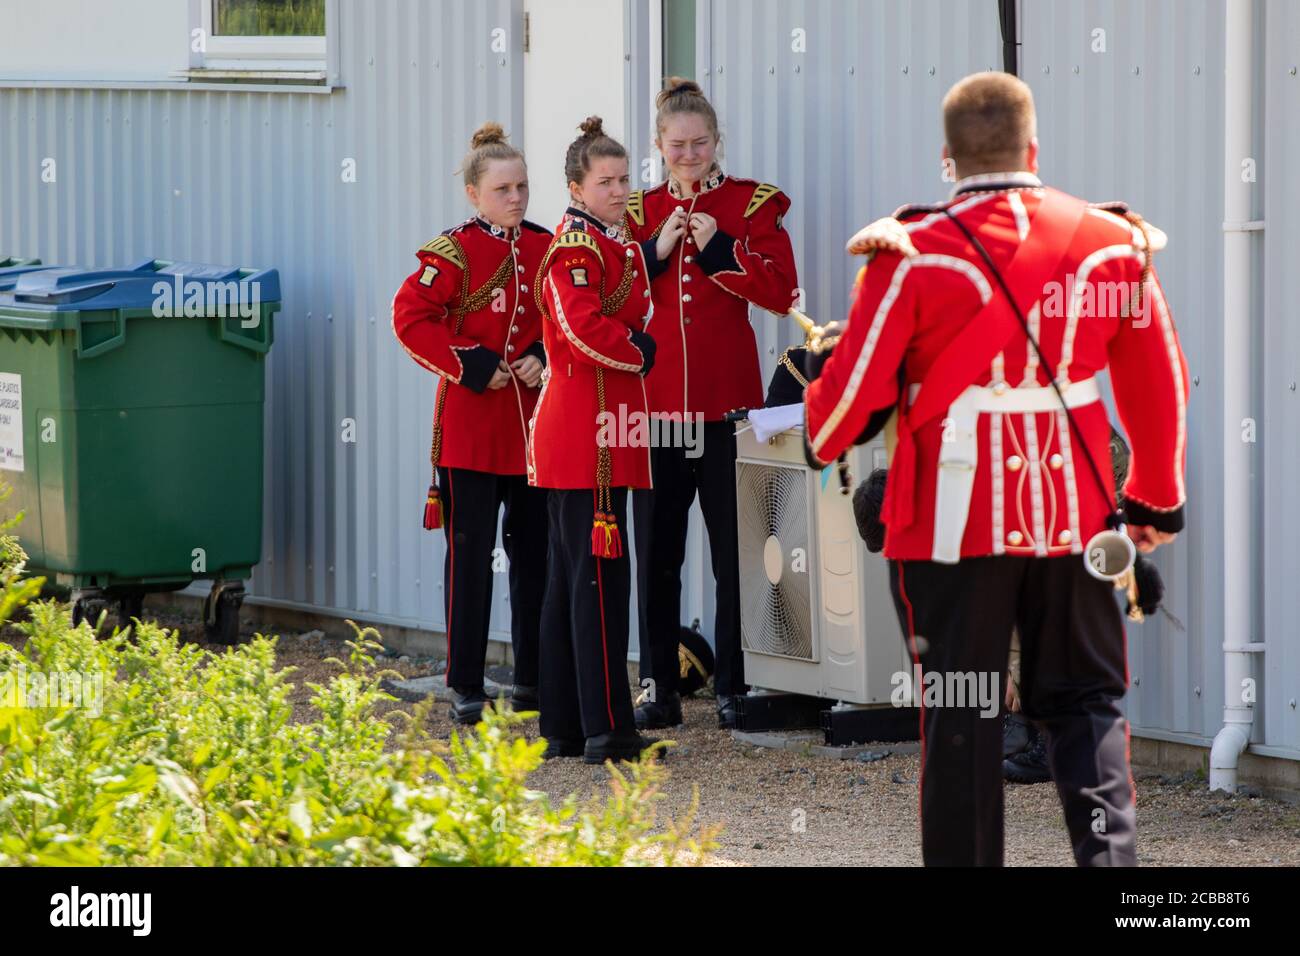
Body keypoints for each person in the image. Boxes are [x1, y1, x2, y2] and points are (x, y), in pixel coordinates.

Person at [803, 72, 1188, 866]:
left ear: (948, 158)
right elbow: (1159, 383)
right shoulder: (1112, 245)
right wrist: (1154, 499)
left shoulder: (908, 255)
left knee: (961, 715)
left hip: (951, 529)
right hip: (1076, 517)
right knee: (1086, 707)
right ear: (1033, 147)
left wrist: (820, 420)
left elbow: (850, 408)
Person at [625, 77, 800, 731]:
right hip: (661, 410)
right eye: (678, 145)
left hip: (727, 409)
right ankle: (657, 686)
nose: (690, 155)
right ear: (658, 145)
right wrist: (656, 251)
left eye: (700, 143)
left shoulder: (751, 204)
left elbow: (784, 293)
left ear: (716, 141)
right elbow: (612, 297)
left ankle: (733, 683)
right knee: (658, 556)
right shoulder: (638, 212)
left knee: (736, 557)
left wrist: (723, 249)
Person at [391, 122, 551, 725]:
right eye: (503, 188)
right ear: (474, 194)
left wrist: (543, 352)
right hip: (471, 429)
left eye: (523, 187)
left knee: (534, 556)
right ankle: (465, 682)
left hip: (535, 430)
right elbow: (410, 319)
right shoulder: (452, 252)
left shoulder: (547, 245)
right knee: (470, 558)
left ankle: (534, 678)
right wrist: (471, 364)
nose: (516, 198)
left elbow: (566, 319)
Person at [528, 117, 659, 764]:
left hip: (607, 427)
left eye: (624, 177)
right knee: (596, 584)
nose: (618, 189)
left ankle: (568, 725)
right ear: (577, 188)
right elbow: (582, 329)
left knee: (574, 583)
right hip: (586, 433)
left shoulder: (616, 243)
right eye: (604, 180)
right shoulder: (576, 248)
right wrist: (639, 349)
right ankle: (609, 731)